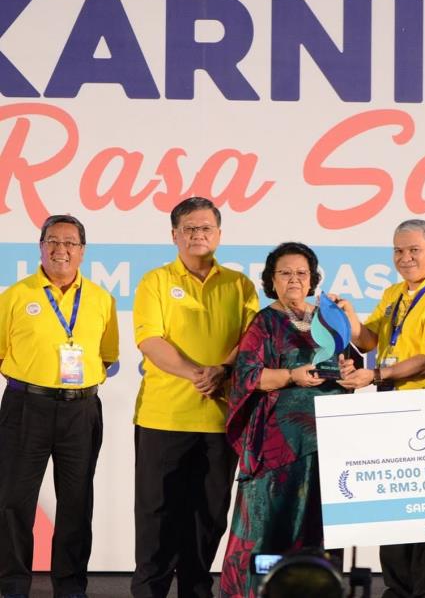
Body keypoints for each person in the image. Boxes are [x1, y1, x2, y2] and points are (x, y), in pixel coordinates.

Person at [131, 197, 259, 598]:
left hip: (222, 419)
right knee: (156, 514)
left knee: (209, 515)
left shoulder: (239, 285)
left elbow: (251, 341)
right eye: (189, 228)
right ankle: (148, 591)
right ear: (174, 235)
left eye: (205, 228)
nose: (197, 235)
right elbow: (151, 340)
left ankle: (196, 589)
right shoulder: (154, 281)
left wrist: (222, 369)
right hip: (163, 417)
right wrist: (197, 374)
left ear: (219, 234)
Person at [337, 219, 425, 598]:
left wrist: (378, 373)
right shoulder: (393, 292)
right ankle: (398, 587)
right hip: (393, 405)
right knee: (395, 501)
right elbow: (370, 339)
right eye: (398, 250)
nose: (405, 258)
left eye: (414, 250)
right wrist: (349, 317)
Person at [219, 242, 353, 598]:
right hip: (278, 446)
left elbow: (349, 364)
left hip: (327, 441)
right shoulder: (264, 322)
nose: (294, 279)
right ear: (271, 280)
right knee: (269, 527)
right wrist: (292, 375)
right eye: (285, 273)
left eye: (301, 273)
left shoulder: (328, 318)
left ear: (312, 279)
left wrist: (348, 371)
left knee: (319, 528)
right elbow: (248, 376)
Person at [0, 215, 119, 598]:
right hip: (25, 406)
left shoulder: (101, 299)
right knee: (14, 501)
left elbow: (107, 356)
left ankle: (70, 585)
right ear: (40, 247)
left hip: (80, 411)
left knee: (76, 501)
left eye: (70, 242)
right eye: (52, 241)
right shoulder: (15, 295)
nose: (60, 249)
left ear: (82, 251)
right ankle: (12, 585)